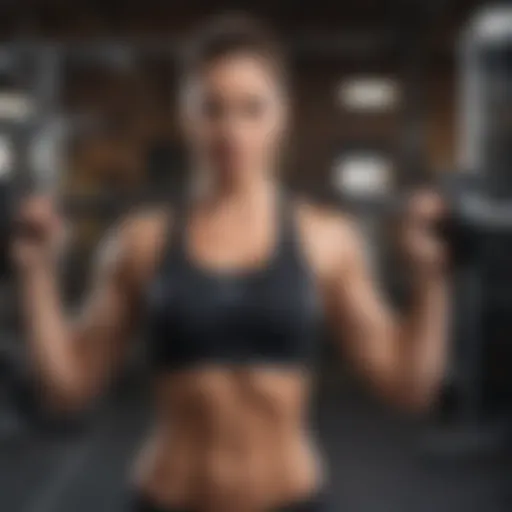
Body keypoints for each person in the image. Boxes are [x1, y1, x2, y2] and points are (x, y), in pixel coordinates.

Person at [12, 14, 450, 512]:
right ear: (186, 115)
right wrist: (37, 273)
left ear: (282, 116)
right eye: (211, 108)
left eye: (251, 109)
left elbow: (410, 387)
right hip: (169, 498)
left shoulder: (326, 239)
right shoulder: (141, 241)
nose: (231, 130)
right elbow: (67, 388)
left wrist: (431, 279)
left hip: (291, 499)